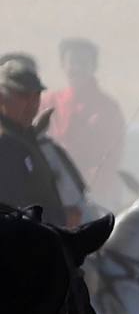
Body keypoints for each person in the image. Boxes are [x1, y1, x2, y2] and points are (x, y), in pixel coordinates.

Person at [41, 38, 125, 206]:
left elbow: (113, 155)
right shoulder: (49, 102)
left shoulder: (108, 108)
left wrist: (88, 184)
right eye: (72, 62)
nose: (76, 68)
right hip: (53, 192)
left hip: (94, 194)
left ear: (93, 67)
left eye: (82, 62)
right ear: (63, 65)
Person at [0, 56, 72, 224]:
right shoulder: (5, 144)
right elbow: (11, 211)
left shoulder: (23, 136)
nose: (33, 105)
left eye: (37, 96)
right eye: (24, 96)